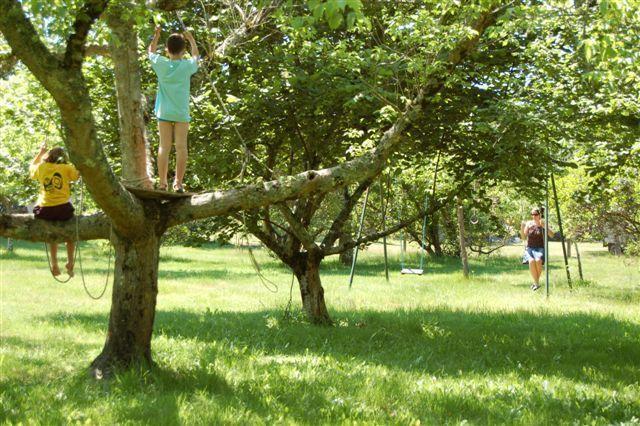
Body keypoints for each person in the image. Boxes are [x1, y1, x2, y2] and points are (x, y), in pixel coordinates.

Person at [148, 26, 199, 193]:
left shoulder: (161, 64)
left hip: (164, 112)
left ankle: (163, 183)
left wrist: (156, 35)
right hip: (181, 113)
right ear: (183, 50)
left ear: (166, 50)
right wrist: (191, 39)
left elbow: (151, 51)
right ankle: (178, 183)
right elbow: (196, 56)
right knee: (181, 148)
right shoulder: (186, 66)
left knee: (164, 147)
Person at [30, 144, 80, 277]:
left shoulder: (42, 167)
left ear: (49, 157)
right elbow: (76, 176)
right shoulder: (66, 167)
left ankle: (54, 263)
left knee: (52, 236)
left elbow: (31, 170)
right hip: (62, 208)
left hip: (44, 209)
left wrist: (40, 153)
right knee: (70, 234)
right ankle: (70, 262)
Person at [520, 207, 554, 291]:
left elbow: (552, 235)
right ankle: (537, 283)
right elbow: (524, 237)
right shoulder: (529, 223)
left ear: (539, 215)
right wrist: (522, 227)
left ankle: (535, 283)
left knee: (538, 261)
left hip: (540, 247)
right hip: (530, 247)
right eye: (532, 214)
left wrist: (545, 226)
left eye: (535, 214)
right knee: (531, 261)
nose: (533, 216)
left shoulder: (543, 222)